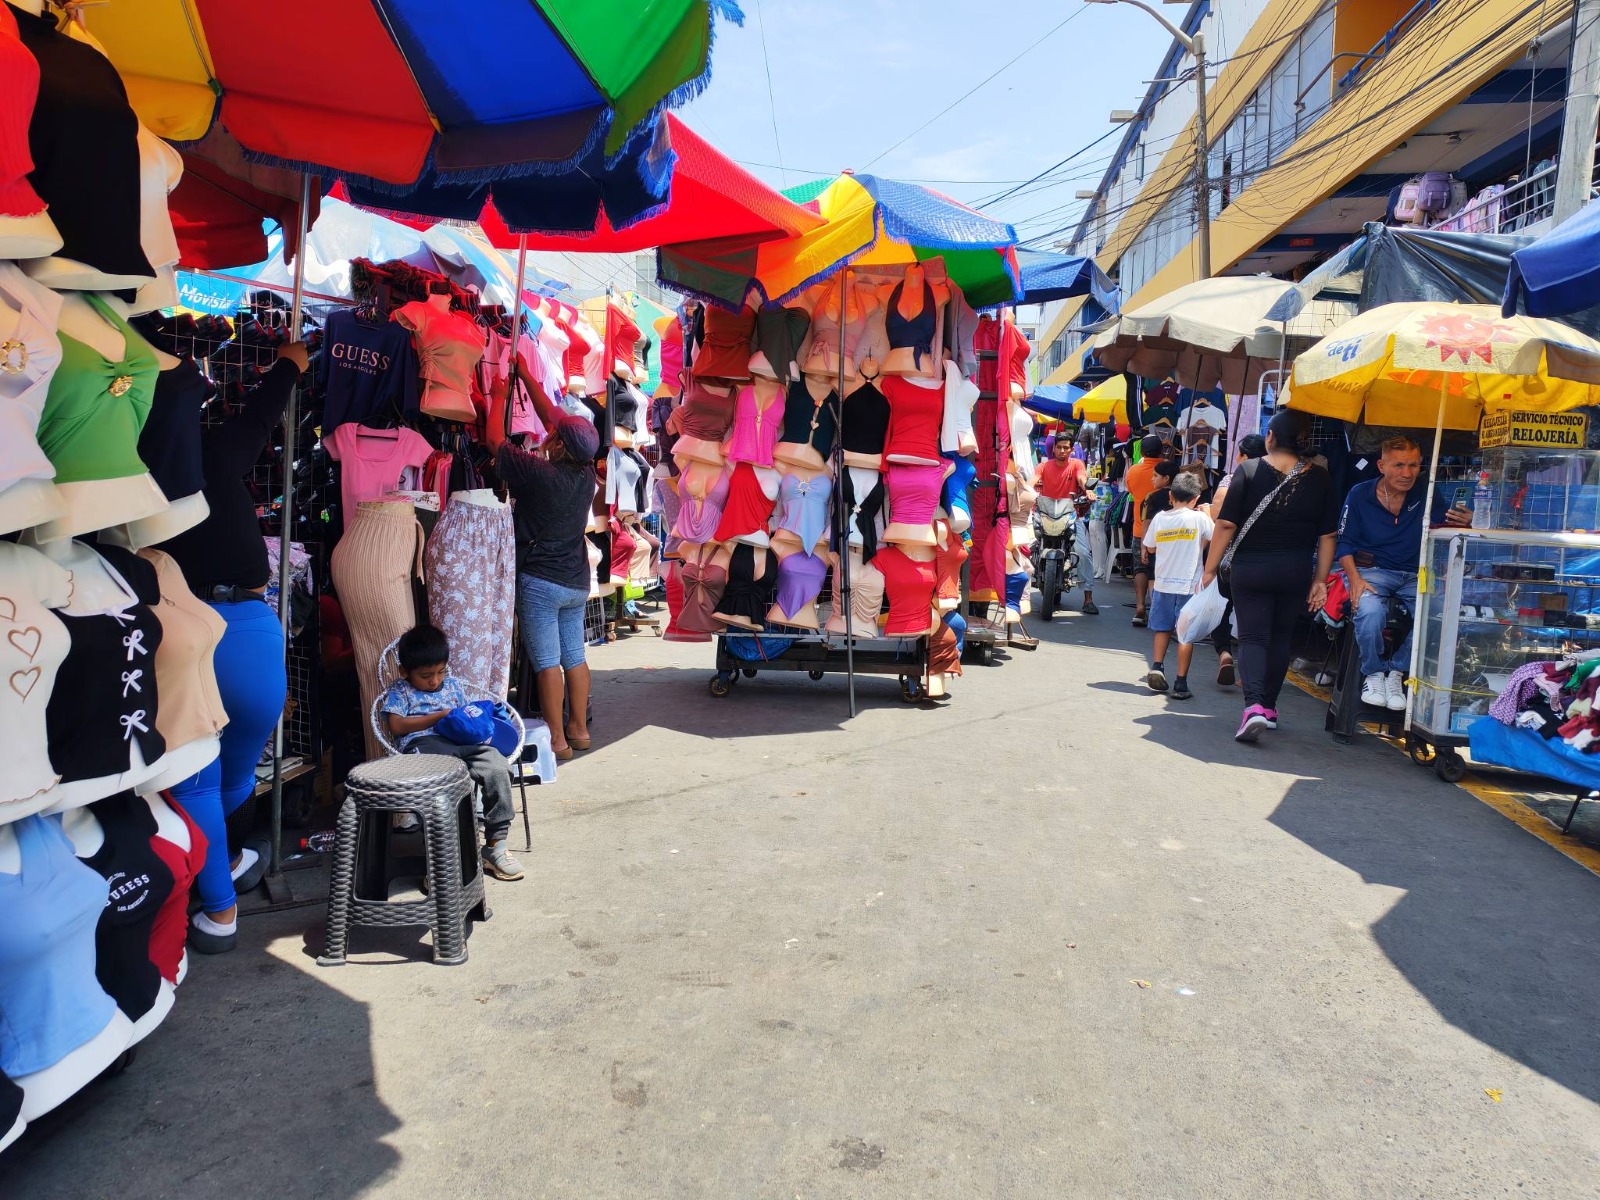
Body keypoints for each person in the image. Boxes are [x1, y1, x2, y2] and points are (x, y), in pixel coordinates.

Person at [161, 339, 308, 954]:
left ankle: (218, 908)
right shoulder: (217, 454)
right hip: (253, 633)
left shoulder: (138, 477)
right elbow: (259, 414)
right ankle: (230, 864)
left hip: (185, 630)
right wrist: (289, 367)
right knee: (235, 772)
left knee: (192, 781)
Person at [1202, 411, 1340, 744]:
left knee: (1252, 638)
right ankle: (1271, 708)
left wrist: (1209, 568)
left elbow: (1225, 525)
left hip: (1250, 570)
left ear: (1270, 437)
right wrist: (1320, 579)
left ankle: (1253, 708)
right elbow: (1328, 536)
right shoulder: (1320, 477)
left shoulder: (1248, 470)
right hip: (1294, 572)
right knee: (1281, 639)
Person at [499, 352, 600, 762]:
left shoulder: (539, 475)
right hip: (575, 581)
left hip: (540, 582)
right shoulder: (586, 472)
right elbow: (552, 416)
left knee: (546, 663)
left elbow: (495, 443)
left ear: (557, 443)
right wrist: (524, 374)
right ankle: (578, 729)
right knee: (574, 656)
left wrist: (496, 392)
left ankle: (556, 740)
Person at [1336, 435, 1471, 710]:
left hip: (1415, 573)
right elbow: (1344, 542)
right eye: (1398, 465)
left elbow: (1448, 525)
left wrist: (1467, 521)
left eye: (1413, 465)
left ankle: (1396, 673)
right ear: (1381, 466)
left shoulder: (1426, 491)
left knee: (1442, 613)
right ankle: (1373, 672)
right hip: (1373, 571)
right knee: (1370, 612)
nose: (1407, 473)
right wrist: (1354, 579)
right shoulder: (1360, 494)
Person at [380, 624, 523, 881]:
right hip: (426, 744)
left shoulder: (453, 685)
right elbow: (396, 725)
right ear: (405, 672)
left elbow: (465, 713)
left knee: (498, 768)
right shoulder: (400, 691)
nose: (435, 680)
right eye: (425, 676)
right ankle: (443, 859)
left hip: (462, 740)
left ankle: (495, 845)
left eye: (440, 672)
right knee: (451, 784)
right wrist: (438, 717)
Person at [1142, 474, 1214, 700]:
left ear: (1170, 495)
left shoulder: (1160, 518)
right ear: (1196, 498)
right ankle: (1181, 683)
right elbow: (1215, 536)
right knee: (1185, 635)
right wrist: (1209, 515)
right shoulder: (1199, 519)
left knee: (1161, 628)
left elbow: (1150, 548)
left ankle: (1157, 666)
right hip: (1188, 587)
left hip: (1163, 584)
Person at [1205, 433, 1266, 687]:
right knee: (1254, 616)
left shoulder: (1231, 479)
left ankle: (1224, 653)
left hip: (1230, 557)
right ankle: (1248, 672)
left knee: (1222, 607)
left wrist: (1210, 566)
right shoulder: (1275, 480)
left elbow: (1220, 518)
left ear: (1241, 455)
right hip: (1263, 557)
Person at [1032, 436, 1097, 614]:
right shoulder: (1043, 466)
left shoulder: (1076, 464)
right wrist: (1025, 488)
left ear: (1071, 450)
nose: (1062, 451)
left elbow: (1082, 478)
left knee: (1083, 553)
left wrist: (1087, 490)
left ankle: (1088, 599)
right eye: (1059, 447)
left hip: (1070, 515)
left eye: (1065, 448)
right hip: (1045, 515)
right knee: (1027, 547)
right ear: (1053, 449)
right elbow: (1033, 479)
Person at [1123, 435, 1166, 626]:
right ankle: (1156, 609)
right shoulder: (1167, 471)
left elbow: (1130, 490)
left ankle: (1140, 606)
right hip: (1165, 531)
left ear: (1141, 452)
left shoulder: (1134, 470)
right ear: (1162, 451)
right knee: (1157, 572)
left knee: (1141, 568)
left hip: (1140, 529)